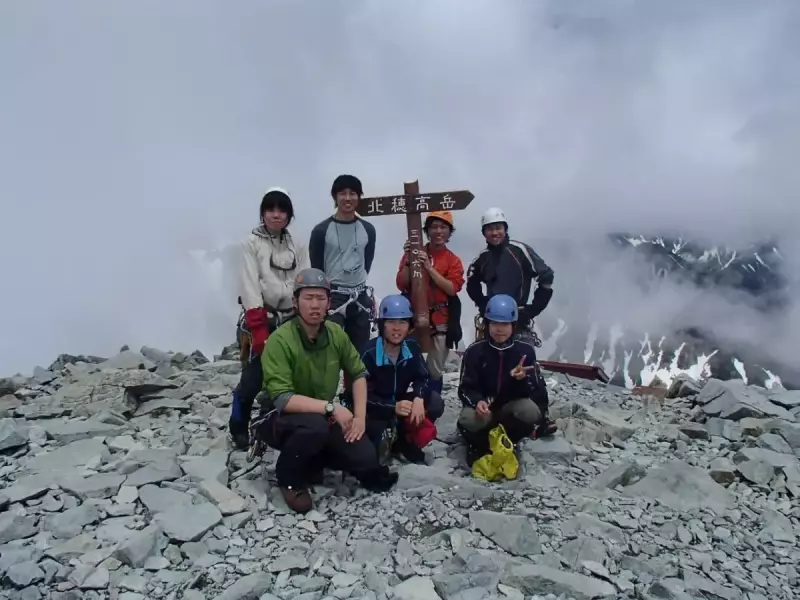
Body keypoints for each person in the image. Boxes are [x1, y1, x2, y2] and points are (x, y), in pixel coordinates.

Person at [255, 268, 398, 514]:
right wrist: (332, 407)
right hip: (278, 418)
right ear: (295, 302)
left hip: (320, 413)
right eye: (308, 298)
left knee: (364, 457)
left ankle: (314, 459)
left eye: (320, 298)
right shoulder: (280, 340)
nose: (314, 305)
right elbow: (283, 399)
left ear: (329, 303)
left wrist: (360, 419)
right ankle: (288, 477)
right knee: (314, 427)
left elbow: (358, 374)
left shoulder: (335, 334)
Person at [229, 187, 308, 450]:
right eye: (270, 209)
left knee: (288, 375)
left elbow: (304, 278)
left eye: (281, 210)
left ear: (289, 215)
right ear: (263, 213)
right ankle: (238, 427)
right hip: (261, 318)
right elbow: (249, 284)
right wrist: (259, 326)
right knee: (254, 377)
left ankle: (271, 425)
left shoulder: (296, 243)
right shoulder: (250, 243)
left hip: (291, 317)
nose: (276, 215)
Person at [457, 294, 557, 468]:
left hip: (509, 407)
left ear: (513, 326)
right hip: (485, 407)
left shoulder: (524, 352)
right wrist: (477, 401)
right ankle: (487, 441)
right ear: (487, 324)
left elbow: (536, 389)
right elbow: (465, 388)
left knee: (531, 412)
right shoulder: (475, 352)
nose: (499, 329)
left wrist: (521, 379)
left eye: (504, 324)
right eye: (494, 323)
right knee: (468, 419)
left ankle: (496, 438)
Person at [359, 295, 445, 465]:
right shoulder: (368, 353)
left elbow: (424, 377)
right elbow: (360, 396)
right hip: (375, 409)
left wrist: (419, 398)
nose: (397, 328)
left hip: (399, 403)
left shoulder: (412, 348)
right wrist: (393, 407)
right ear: (382, 325)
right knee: (374, 454)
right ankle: (392, 438)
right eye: (391, 322)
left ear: (410, 326)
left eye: (403, 322)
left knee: (434, 402)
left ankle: (406, 437)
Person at [395, 211, 465, 397]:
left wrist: (429, 268)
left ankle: (431, 408)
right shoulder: (415, 252)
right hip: (412, 319)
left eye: (443, 227)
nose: (439, 231)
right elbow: (402, 283)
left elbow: (452, 288)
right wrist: (409, 259)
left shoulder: (453, 260)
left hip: (440, 320)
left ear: (450, 232)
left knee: (434, 370)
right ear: (427, 230)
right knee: (407, 363)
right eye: (434, 227)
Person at [309, 174, 376, 356]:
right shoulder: (321, 230)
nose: (348, 198)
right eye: (342, 193)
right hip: (333, 296)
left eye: (353, 193)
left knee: (359, 354)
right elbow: (317, 269)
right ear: (335, 197)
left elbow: (367, 262)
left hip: (359, 296)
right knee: (329, 350)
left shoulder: (368, 229)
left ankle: (354, 386)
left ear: (359, 196)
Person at [466, 207, 554, 342]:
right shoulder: (483, 258)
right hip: (493, 321)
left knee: (520, 360)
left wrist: (533, 309)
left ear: (505, 229)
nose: (494, 233)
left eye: (498, 227)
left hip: (519, 319)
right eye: (489, 229)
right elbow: (472, 283)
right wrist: (482, 303)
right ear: (484, 233)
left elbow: (546, 277)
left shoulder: (520, 251)